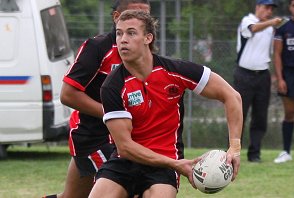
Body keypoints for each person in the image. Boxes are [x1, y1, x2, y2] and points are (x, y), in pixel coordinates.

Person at [88, 10, 243, 198]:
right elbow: (125, 147)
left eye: (131, 32)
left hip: (164, 166)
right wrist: (177, 165)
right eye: (119, 33)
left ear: (148, 38)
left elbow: (232, 96)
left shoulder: (175, 70)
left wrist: (234, 147)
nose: (122, 39)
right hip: (125, 162)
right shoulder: (112, 86)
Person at [42, 1, 151, 198]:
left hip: (122, 138)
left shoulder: (147, 54)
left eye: (146, 16)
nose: (140, 20)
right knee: (128, 188)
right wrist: (113, 114)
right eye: (134, 13)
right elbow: (68, 94)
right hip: (93, 137)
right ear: (117, 17)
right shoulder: (98, 47)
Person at [234, 0, 283, 163]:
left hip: (263, 75)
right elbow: (253, 30)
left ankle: (254, 154)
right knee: (239, 114)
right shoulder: (247, 20)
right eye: (266, 7)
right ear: (258, 7)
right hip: (244, 75)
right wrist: (272, 23)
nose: (269, 11)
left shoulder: (270, 28)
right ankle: (233, 153)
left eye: (271, 9)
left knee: (260, 117)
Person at [273, 0, 294, 164]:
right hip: (289, 75)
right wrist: (280, 78)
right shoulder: (283, 28)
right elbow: (276, 54)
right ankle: (286, 151)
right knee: (290, 113)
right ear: (290, 8)